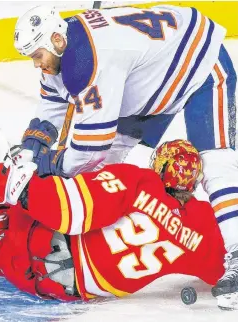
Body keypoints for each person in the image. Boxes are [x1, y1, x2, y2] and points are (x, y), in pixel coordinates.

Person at [13, 5, 238, 303]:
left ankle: (236, 252)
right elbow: (54, 101)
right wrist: (33, 147)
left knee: (215, 161)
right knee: (104, 163)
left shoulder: (86, 60)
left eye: (37, 56)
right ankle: (85, 232)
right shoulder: (63, 49)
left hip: (200, 61)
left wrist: (51, 164)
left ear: (56, 40)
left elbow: (91, 146)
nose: (36, 64)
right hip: (150, 72)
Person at [0, 115, 233, 308]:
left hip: (42, 244)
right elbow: (226, 270)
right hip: (57, 286)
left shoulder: (140, 181)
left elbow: (70, 210)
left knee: (2, 217)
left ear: (159, 164)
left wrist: (30, 178)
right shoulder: (204, 225)